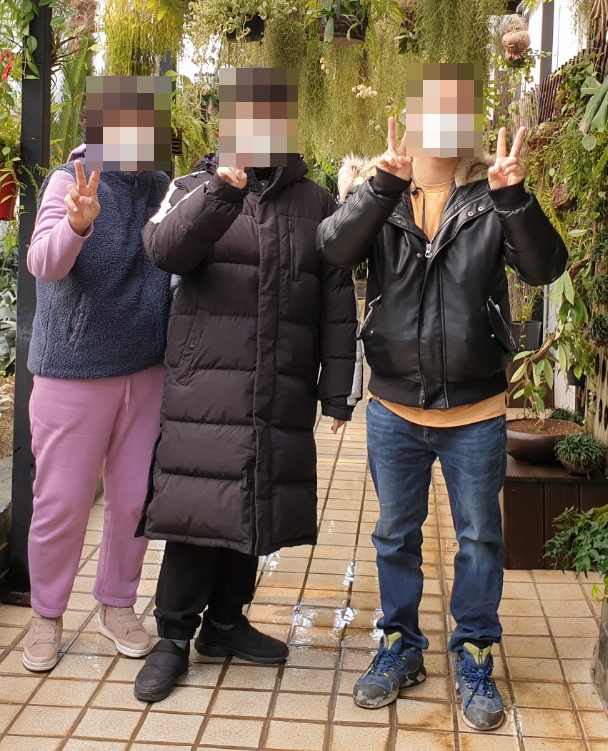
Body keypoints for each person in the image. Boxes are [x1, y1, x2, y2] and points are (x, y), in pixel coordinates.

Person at [317, 62, 567, 731]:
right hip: (394, 408)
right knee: (394, 535)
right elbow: (333, 250)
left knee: (480, 537)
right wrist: (381, 188)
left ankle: (475, 655)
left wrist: (515, 199)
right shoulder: (378, 192)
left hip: (476, 411)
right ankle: (400, 647)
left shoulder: (490, 197)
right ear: (411, 118)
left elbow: (545, 267)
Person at [133, 66, 358, 704]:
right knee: (198, 506)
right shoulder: (190, 187)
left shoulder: (317, 203)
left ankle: (226, 623)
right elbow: (164, 250)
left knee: (255, 499)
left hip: (279, 384)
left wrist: (336, 391)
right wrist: (220, 193)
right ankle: (173, 636)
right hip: (206, 385)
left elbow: (336, 301)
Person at [20, 74, 175, 672]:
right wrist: (77, 225)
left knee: (134, 500)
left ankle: (117, 604)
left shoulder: (160, 185)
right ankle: (46, 614)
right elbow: (43, 263)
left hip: (146, 370)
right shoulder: (71, 179)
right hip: (75, 371)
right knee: (62, 502)